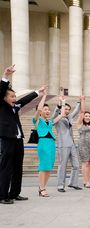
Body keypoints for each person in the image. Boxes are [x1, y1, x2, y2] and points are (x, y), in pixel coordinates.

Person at [0, 65, 45, 204]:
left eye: (15, 96)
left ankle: (14, 193)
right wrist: (5, 76)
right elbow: (1, 90)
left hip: (18, 140)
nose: (14, 99)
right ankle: (2, 196)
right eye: (11, 96)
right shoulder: (2, 106)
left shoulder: (15, 107)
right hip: (7, 139)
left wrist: (37, 92)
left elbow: (25, 101)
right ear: (4, 98)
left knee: (18, 167)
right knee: (6, 168)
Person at [33, 93, 65, 197]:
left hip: (51, 144)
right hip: (43, 144)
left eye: (48, 109)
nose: (47, 111)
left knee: (49, 167)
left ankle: (42, 187)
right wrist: (44, 96)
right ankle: (42, 188)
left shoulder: (50, 121)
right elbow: (38, 110)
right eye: (45, 109)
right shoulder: (37, 120)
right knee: (43, 166)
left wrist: (63, 102)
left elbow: (62, 115)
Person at [52, 95, 82, 192]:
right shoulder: (57, 118)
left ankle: (73, 183)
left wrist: (79, 101)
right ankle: (60, 185)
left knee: (76, 165)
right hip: (63, 144)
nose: (67, 111)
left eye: (69, 109)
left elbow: (76, 111)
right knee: (63, 165)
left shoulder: (69, 117)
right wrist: (61, 103)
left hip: (72, 144)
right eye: (66, 109)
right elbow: (54, 114)